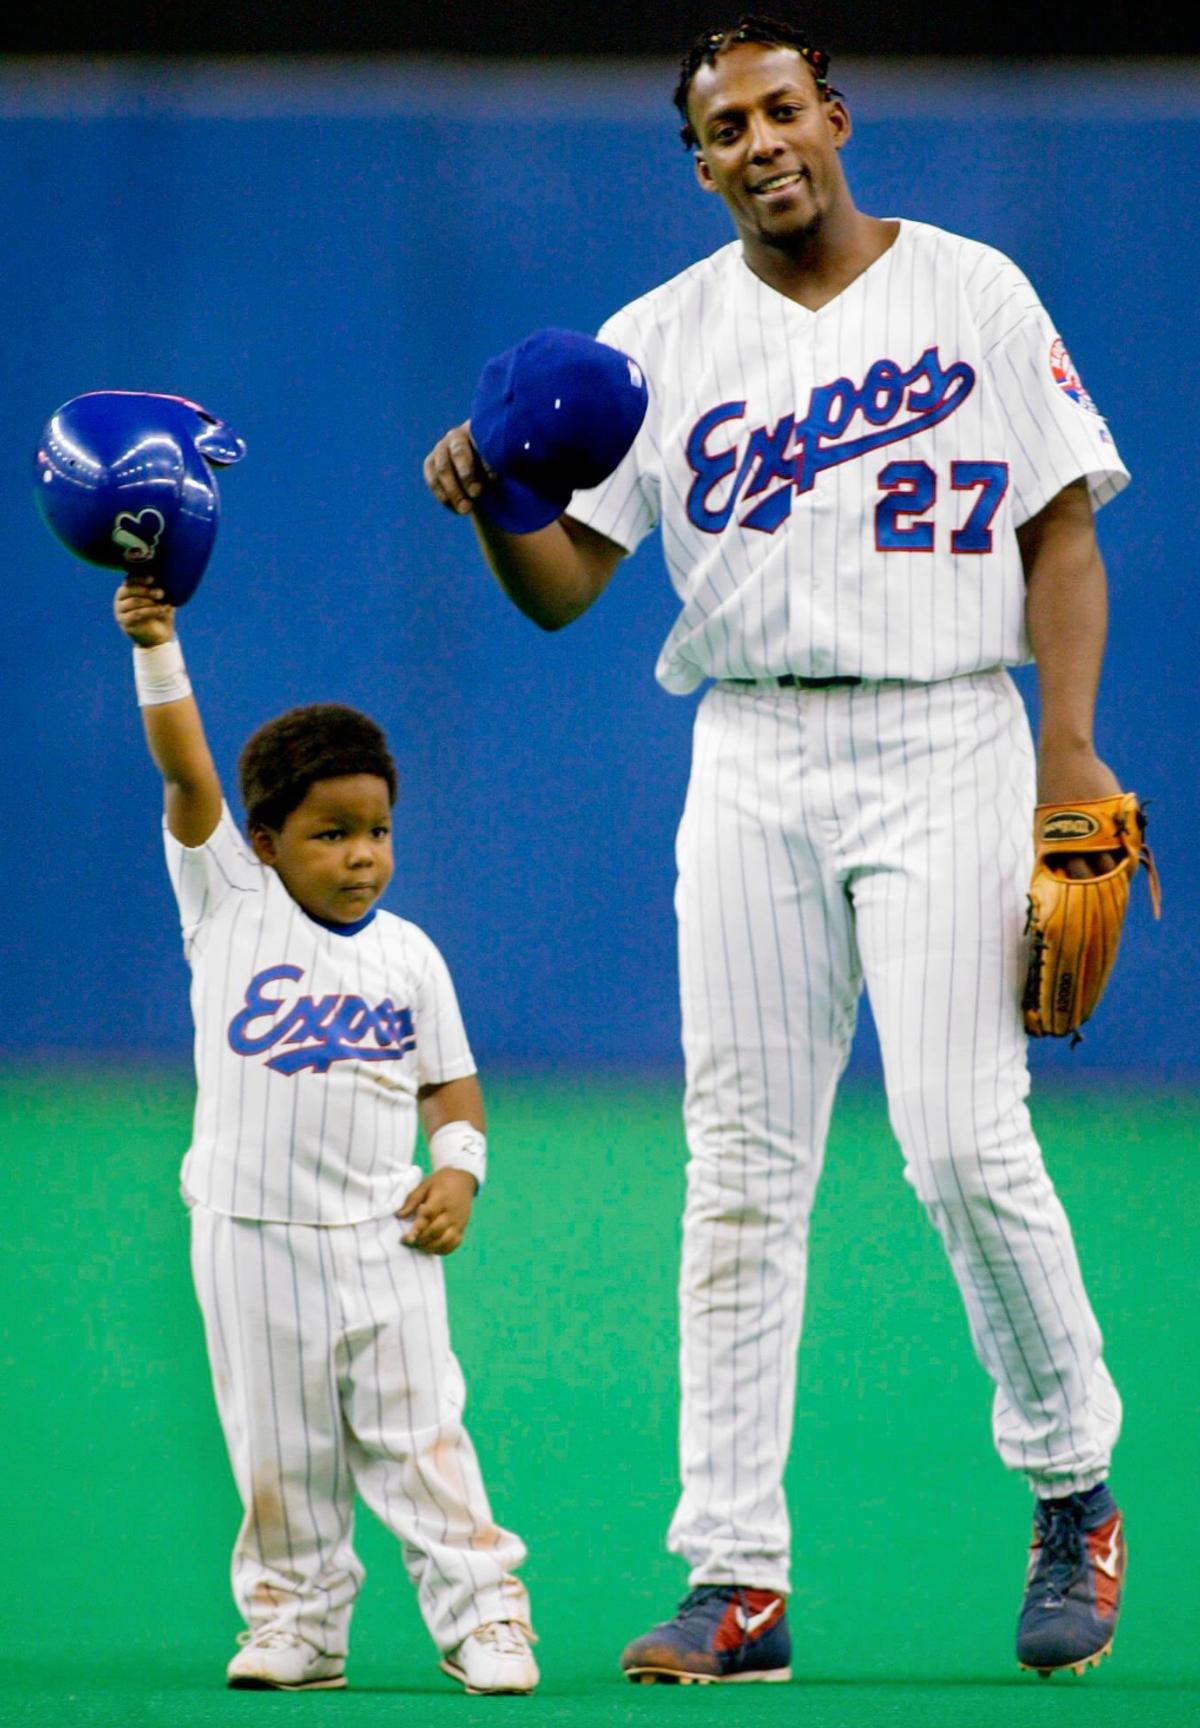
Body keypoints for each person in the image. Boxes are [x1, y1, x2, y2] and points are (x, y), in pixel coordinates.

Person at [423, 13, 1133, 1686]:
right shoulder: (655, 340)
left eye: (780, 107)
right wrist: (494, 506)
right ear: (698, 161)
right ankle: (735, 1577)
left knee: (963, 1139)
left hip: (949, 728)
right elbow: (568, 586)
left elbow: (1063, 530)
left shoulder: (971, 291)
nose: (758, 140)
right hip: (749, 750)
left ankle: (1070, 1485)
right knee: (740, 1168)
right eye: (723, 125)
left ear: (835, 113)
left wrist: (1069, 743)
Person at [112, 575, 538, 1695]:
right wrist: (159, 644)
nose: (363, 854)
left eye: (378, 830)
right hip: (249, 1238)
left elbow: (452, 1085)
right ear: (262, 842)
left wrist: (461, 1172)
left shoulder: (409, 954)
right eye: (331, 832)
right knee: (280, 1455)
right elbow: (185, 770)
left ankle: (487, 1617)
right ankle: (297, 1624)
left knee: (422, 1443)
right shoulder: (229, 902)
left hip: (382, 1242)